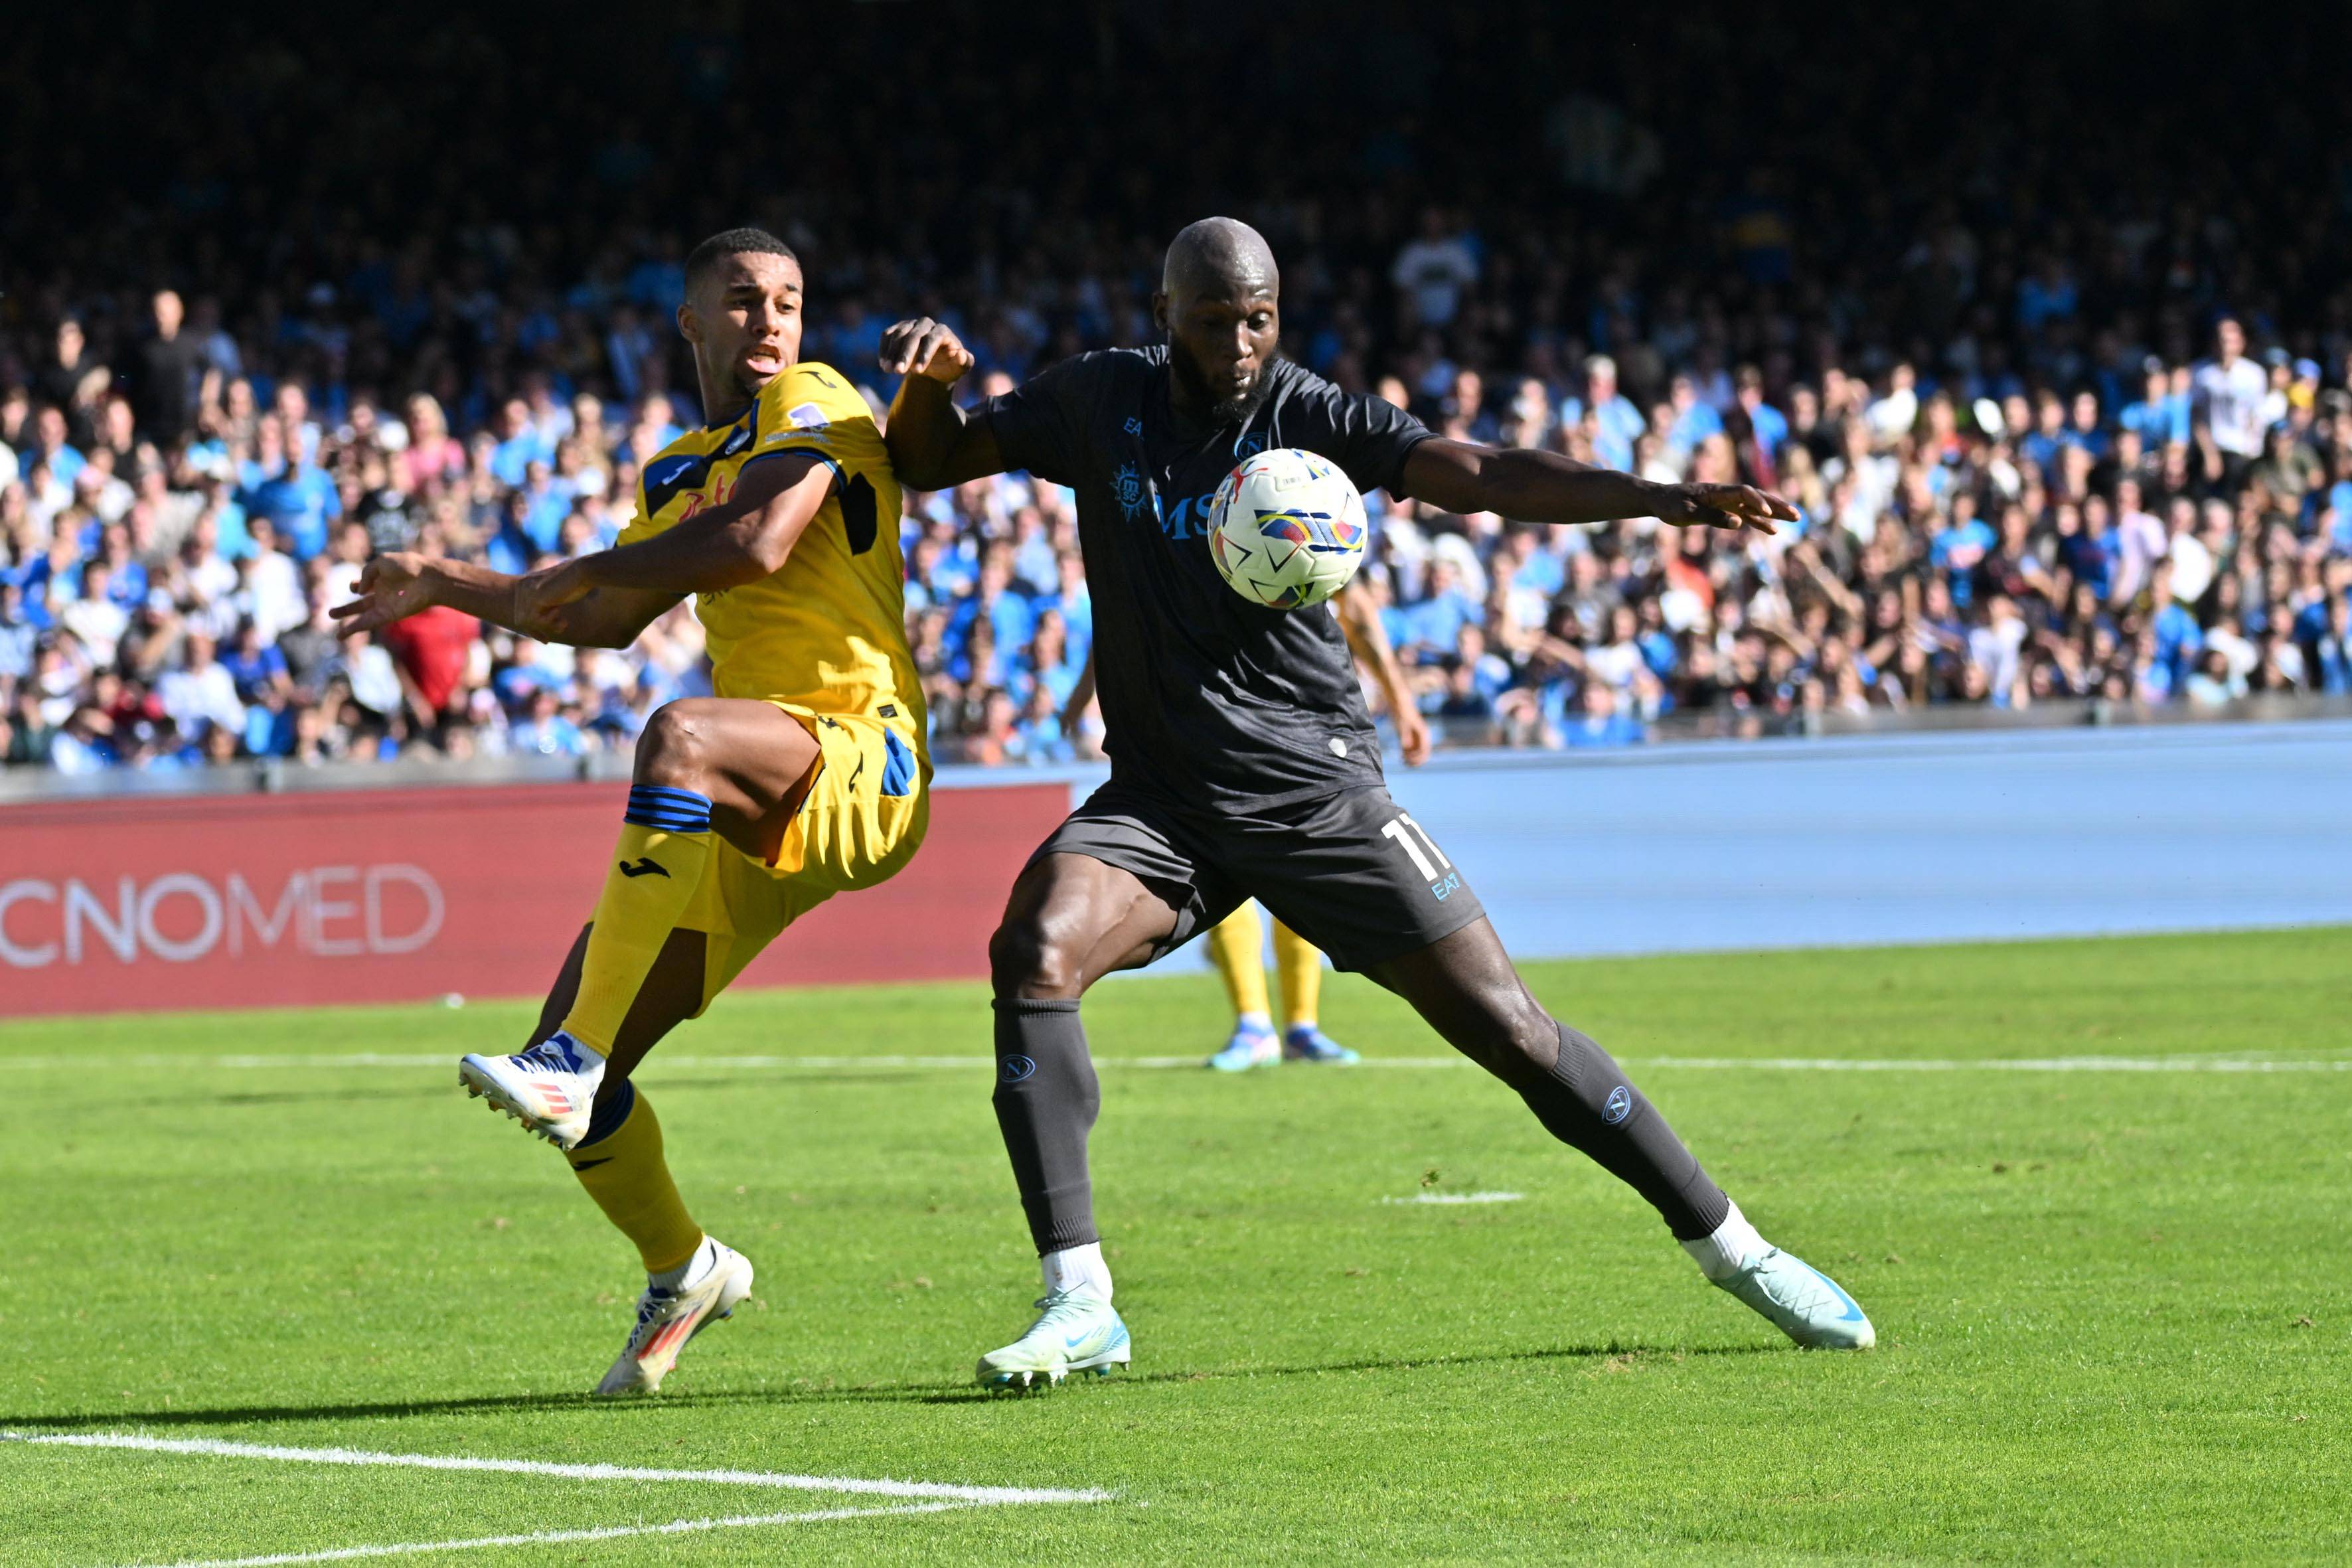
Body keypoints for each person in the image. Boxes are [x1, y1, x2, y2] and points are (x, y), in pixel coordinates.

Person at [878, 217, 1874, 1390]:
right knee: (1034, 947)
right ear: (1164, 316)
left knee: (1511, 1029)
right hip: (1164, 803)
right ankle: (1080, 1299)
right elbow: (933, 459)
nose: (1241, 341)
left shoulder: (1309, 415)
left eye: (1258, 317)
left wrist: (1655, 497)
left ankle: (1738, 1250)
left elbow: (1481, 472)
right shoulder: (1099, 401)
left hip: (1317, 792)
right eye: (1214, 320)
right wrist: (921, 390)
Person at [334, 228, 930, 1395]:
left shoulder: (816, 399)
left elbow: (759, 542)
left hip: (864, 754)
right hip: (753, 798)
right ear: (691, 323)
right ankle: (684, 1265)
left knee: (680, 732)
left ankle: (567, 1053)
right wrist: (456, 581)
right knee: (586, 1085)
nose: (769, 322)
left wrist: (588, 566)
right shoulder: (676, 466)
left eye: (788, 302)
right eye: (743, 301)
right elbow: (593, 618)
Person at [1204, 582, 1429, 1070]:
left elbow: (1360, 610)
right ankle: (1254, 1025)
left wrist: (1401, 700)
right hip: (1218, 724)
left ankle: (1298, 1027)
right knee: (1225, 866)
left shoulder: (1301, 521)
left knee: (1292, 872)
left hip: (1295, 729)